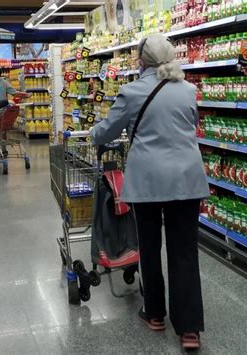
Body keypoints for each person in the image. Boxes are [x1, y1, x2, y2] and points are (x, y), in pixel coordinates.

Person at [90, 34, 209, 350]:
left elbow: (108, 130)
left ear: (141, 61)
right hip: (187, 178)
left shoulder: (131, 91)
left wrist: (93, 132)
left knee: (150, 247)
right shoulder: (188, 90)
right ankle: (189, 329)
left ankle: (154, 313)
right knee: (184, 252)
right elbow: (190, 125)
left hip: (148, 181)